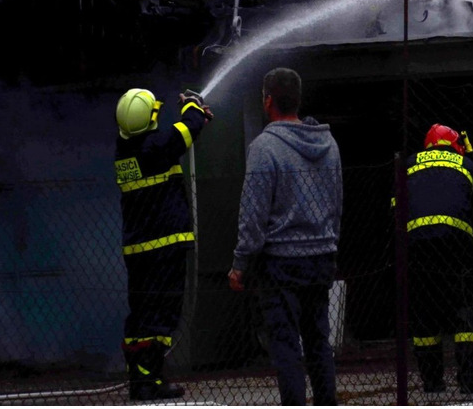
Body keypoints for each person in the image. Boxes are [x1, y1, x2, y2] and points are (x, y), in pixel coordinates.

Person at [228, 68, 343, 406]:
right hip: (321, 257)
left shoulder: (265, 147)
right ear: (298, 99)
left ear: (268, 101)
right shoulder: (329, 144)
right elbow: (337, 203)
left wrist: (240, 264)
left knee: (286, 345)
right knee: (319, 342)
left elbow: (253, 213)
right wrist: (330, 243)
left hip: (280, 264)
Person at [114, 87, 213, 402]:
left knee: (141, 314)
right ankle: (148, 380)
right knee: (160, 316)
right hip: (163, 249)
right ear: (150, 119)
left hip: (139, 252)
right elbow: (186, 131)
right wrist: (193, 106)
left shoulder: (125, 149)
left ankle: (142, 377)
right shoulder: (155, 147)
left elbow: (175, 136)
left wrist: (193, 116)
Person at [401, 124, 473, 395]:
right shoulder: (467, 164)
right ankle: (469, 381)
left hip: (417, 246)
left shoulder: (408, 165)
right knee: (467, 310)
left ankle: (432, 383)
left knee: (424, 314)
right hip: (457, 246)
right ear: (454, 144)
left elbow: (395, 210)